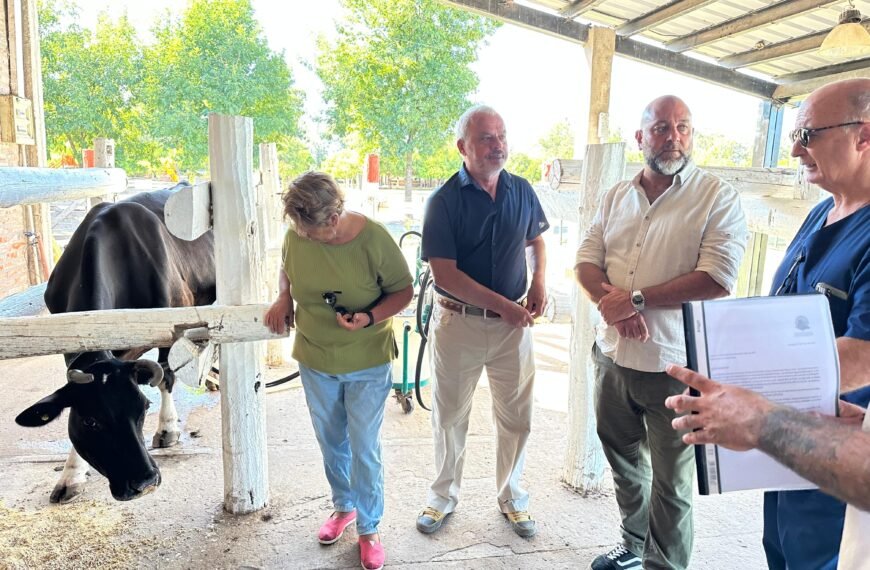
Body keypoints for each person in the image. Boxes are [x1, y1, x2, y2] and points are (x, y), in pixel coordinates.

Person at [670, 78, 870, 570]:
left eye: (807, 135)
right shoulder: (824, 211)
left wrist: (746, 397)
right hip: (788, 441)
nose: (794, 148)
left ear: (864, 135)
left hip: (840, 453)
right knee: (779, 553)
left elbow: (863, 357)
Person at [575, 95, 748, 570]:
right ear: (641, 137)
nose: (674, 137)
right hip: (611, 357)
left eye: (683, 127)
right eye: (662, 128)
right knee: (623, 460)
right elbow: (586, 261)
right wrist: (613, 306)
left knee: (672, 481)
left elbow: (718, 277)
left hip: (673, 365)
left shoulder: (716, 196)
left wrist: (633, 300)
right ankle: (633, 544)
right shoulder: (615, 195)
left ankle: (664, 565)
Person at [264, 171, 413, 570]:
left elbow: (404, 289)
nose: (304, 236)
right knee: (331, 440)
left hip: (366, 358)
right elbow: (288, 266)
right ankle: (344, 507)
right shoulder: (298, 234)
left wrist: (370, 316)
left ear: (333, 218)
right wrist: (283, 297)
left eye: (311, 230)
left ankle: (369, 526)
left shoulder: (374, 238)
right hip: (315, 358)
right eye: (298, 229)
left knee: (363, 444)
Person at [415, 104, 549, 538]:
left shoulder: (521, 189)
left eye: (502, 136)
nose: (498, 145)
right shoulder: (444, 201)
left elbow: (536, 240)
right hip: (460, 324)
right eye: (487, 138)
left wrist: (540, 282)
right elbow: (445, 274)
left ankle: (512, 496)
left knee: (516, 416)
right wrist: (502, 305)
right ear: (463, 147)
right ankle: (442, 497)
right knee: (450, 415)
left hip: (514, 327)